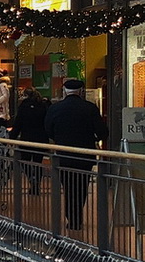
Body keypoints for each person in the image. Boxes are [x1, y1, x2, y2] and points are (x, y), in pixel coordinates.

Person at [43, 79, 108, 231]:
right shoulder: (90, 108)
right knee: (81, 186)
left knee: (68, 187)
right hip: (84, 155)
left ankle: (71, 217)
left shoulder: (55, 108)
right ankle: (76, 217)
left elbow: (48, 129)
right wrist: (94, 139)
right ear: (81, 91)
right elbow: (102, 131)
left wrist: (58, 138)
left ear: (64, 91)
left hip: (63, 155)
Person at [8, 87, 51, 194]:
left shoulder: (24, 106)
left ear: (26, 95)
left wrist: (12, 137)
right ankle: (36, 183)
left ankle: (31, 179)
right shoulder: (43, 105)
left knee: (24, 161)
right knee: (38, 162)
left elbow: (18, 123)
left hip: (26, 139)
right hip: (40, 139)